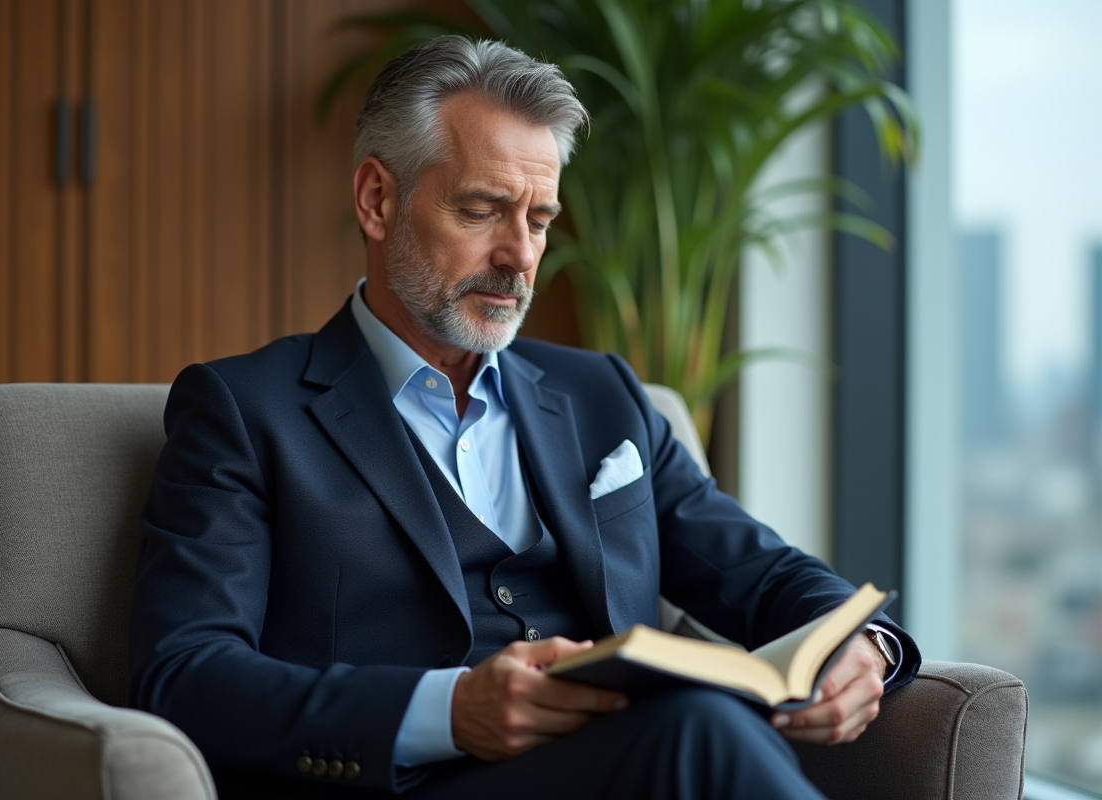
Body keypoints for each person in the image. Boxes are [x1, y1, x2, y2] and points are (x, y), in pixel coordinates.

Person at [128, 35, 920, 800]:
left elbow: (764, 573)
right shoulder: (243, 409)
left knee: (698, 728)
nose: (521, 255)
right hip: (406, 784)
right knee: (698, 730)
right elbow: (184, 671)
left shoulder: (602, 394)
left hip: (626, 769)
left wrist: (860, 648)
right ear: (377, 200)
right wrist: (448, 711)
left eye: (539, 220)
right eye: (482, 210)